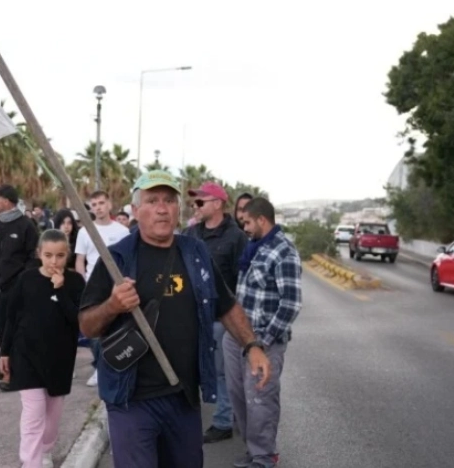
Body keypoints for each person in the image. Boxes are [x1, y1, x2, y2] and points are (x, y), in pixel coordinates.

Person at [77, 170, 271, 468]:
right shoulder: (116, 259)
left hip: (183, 398)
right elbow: (87, 325)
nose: (162, 208)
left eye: (169, 200)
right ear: (136, 210)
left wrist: (252, 345)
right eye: (152, 200)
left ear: (177, 209)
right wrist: (113, 305)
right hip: (131, 400)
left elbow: (227, 306)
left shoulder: (195, 253)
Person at [227, 197, 303, 468]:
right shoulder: (254, 248)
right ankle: (253, 450)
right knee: (239, 397)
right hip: (238, 337)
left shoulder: (283, 251)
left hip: (263, 341)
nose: (244, 227)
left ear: (261, 219)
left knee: (260, 400)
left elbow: (292, 302)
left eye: (247, 222)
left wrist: (263, 342)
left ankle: (264, 457)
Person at [0, 230, 84, 468]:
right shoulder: (26, 279)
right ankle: (30, 462)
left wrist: (60, 288)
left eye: (59, 256)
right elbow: (12, 317)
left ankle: (46, 449)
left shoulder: (75, 282)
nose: (53, 262)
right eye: (48, 255)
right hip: (25, 356)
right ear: (39, 254)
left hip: (60, 358)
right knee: (33, 413)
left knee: (53, 414)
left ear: (67, 255)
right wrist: (4, 352)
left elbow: (77, 319)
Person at [184, 181, 250, 444]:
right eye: (194, 202)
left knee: (222, 371)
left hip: (222, 318)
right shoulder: (190, 234)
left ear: (218, 203)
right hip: (193, 317)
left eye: (200, 201)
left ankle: (224, 421)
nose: (196, 206)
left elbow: (243, 280)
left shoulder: (236, 238)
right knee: (199, 369)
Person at [0, 185, 39, 391]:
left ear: (7, 201)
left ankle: (13, 372)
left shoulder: (27, 225)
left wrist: (23, 281)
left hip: (17, 288)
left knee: (15, 330)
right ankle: (4, 362)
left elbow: (34, 256)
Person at [75, 191, 129, 388]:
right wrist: (84, 282)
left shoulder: (122, 231)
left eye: (101, 203)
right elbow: (80, 260)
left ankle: (116, 365)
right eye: (94, 204)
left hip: (116, 287)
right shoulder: (84, 232)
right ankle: (99, 367)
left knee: (116, 329)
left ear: (109, 204)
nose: (97, 207)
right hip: (93, 288)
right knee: (94, 331)